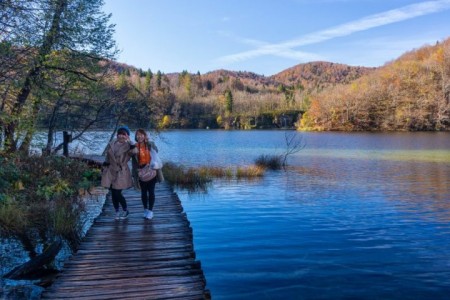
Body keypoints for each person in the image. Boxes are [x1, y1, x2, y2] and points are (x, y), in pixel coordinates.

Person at [101, 125, 136, 220]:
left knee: (117, 193)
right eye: (119, 134)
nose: (121, 136)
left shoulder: (129, 145)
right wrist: (104, 167)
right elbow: (108, 157)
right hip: (110, 170)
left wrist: (131, 142)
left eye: (123, 134)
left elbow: (135, 152)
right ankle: (117, 211)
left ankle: (125, 210)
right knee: (112, 193)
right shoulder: (112, 143)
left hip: (121, 171)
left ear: (127, 136)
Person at [131, 128, 162, 220]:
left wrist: (150, 144)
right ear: (136, 137)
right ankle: (145, 209)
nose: (139, 136)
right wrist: (131, 146)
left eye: (141, 134)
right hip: (141, 172)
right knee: (143, 192)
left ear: (145, 136)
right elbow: (130, 154)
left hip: (151, 170)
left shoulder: (149, 144)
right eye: (138, 135)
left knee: (151, 191)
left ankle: (150, 211)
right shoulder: (135, 146)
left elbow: (156, 151)